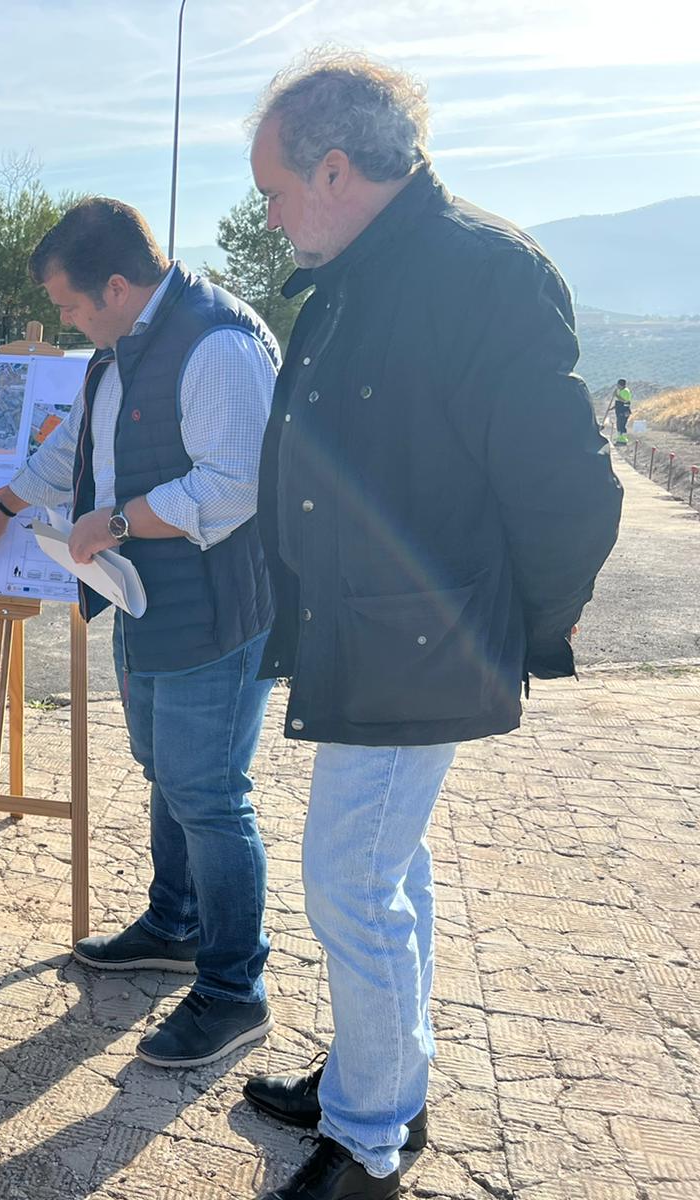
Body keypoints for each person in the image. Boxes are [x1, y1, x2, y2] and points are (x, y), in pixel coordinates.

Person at [242, 51, 622, 1200]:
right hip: (367, 634)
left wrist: (503, 634)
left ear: (336, 168)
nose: (267, 216)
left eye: (269, 191)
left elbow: (571, 497)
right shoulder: (361, 271)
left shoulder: (480, 273)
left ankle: (368, 1138)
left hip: (418, 640)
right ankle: (379, 1070)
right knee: (381, 873)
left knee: (348, 883)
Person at [0, 197, 282, 1068]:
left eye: (69, 301)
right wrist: (5, 505)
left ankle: (233, 990)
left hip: (215, 609)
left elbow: (237, 483)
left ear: (120, 284)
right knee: (166, 771)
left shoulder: (218, 345)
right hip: (145, 603)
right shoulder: (119, 349)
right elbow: (77, 453)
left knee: (208, 791)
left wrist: (124, 520)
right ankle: (174, 926)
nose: (63, 318)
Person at [612, 378, 633, 444]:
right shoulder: (621, 391)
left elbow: (624, 400)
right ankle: (619, 438)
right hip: (620, 411)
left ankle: (623, 440)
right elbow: (619, 402)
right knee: (619, 425)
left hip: (624, 412)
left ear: (621, 385)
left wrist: (616, 395)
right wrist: (613, 407)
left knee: (622, 425)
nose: (617, 386)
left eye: (618, 385)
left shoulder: (625, 391)